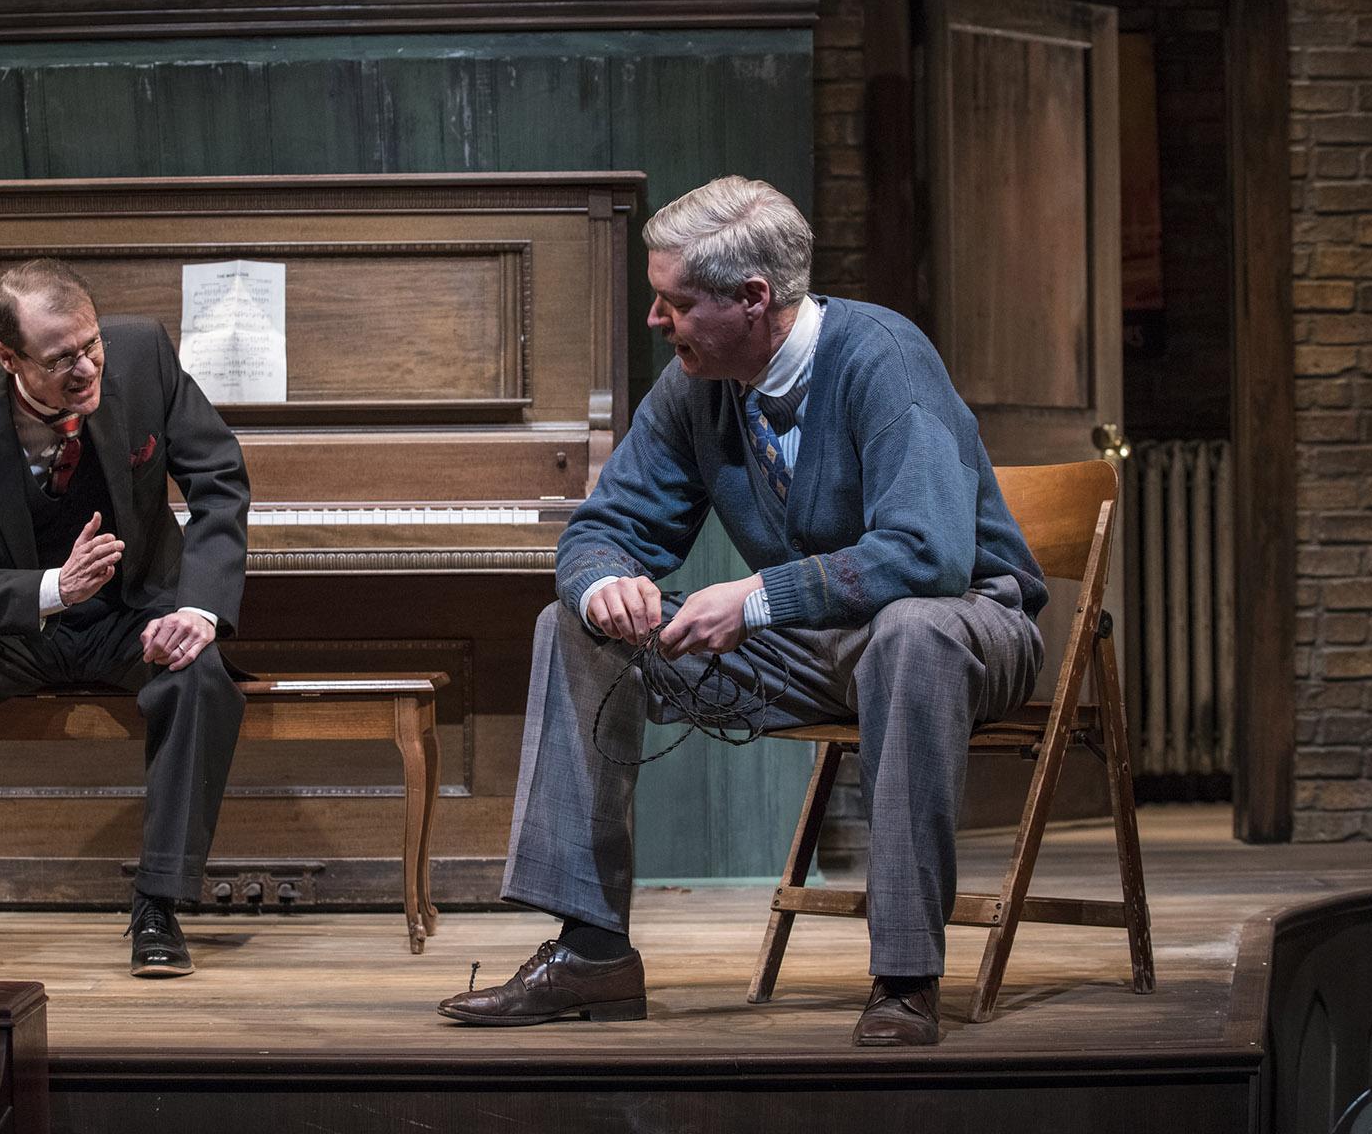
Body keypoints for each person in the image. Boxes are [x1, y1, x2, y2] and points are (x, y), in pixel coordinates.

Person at [437, 176, 1047, 1046]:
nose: (657, 321)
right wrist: (605, 582)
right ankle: (593, 950)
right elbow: (601, 530)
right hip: (821, 644)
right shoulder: (698, 387)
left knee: (912, 631)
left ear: (754, 298)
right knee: (572, 627)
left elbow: (928, 558)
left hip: (966, 627)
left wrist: (757, 598)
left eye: (674, 302)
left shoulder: (884, 357)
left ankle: (907, 976)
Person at [0, 258, 249, 980]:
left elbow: (219, 479)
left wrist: (198, 607)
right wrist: (51, 588)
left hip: (133, 612)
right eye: (62, 360)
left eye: (91, 346)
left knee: (199, 676)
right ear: (7, 357)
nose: (87, 368)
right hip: (19, 630)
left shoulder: (143, 357)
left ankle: (158, 904)